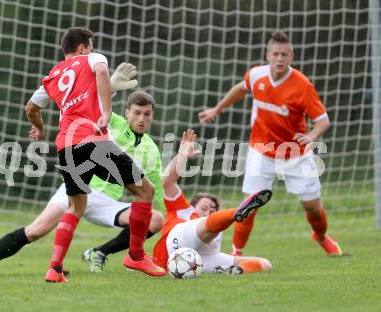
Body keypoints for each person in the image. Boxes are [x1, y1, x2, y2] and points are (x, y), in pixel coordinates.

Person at [0, 90, 165, 276]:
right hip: (79, 187)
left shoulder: (152, 150)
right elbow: (91, 103)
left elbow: (156, 192)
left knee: (156, 219)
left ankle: (99, 253)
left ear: (152, 116)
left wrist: (179, 223)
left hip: (106, 203)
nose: (141, 118)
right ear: (127, 112)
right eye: (137, 113)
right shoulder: (114, 123)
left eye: (147, 114)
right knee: (36, 230)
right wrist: (110, 89)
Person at [26, 26, 165, 282]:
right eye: (90, 45)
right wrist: (107, 111)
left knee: (76, 206)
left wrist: (39, 128)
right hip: (92, 142)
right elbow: (101, 71)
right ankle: (135, 255)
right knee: (145, 190)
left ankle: (55, 268)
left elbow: (31, 107)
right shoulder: (93, 59)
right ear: (82, 48)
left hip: (66, 148)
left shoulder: (53, 75)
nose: (92, 49)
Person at [198, 31, 342, 257]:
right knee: (250, 206)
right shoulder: (257, 76)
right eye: (275, 53)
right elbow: (240, 88)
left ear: (291, 56)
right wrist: (217, 109)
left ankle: (321, 237)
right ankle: (236, 253)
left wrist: (311, 136)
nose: (279, 58)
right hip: (261, 151)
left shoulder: (302, 85)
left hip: (296, 153)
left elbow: (323, 121)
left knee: (313, 208)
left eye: (284, 54)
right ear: (268, 55)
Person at [152, 129, 273, 274]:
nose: (208, 211)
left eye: (212, 211)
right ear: (192, 205)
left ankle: (236, 271)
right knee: (205, 225)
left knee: (264, 264)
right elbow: (167, 182)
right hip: (175, 247)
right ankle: (236, 212)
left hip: (205, 255)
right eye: (204, 207)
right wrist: (182, 154)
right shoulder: (182, 209)